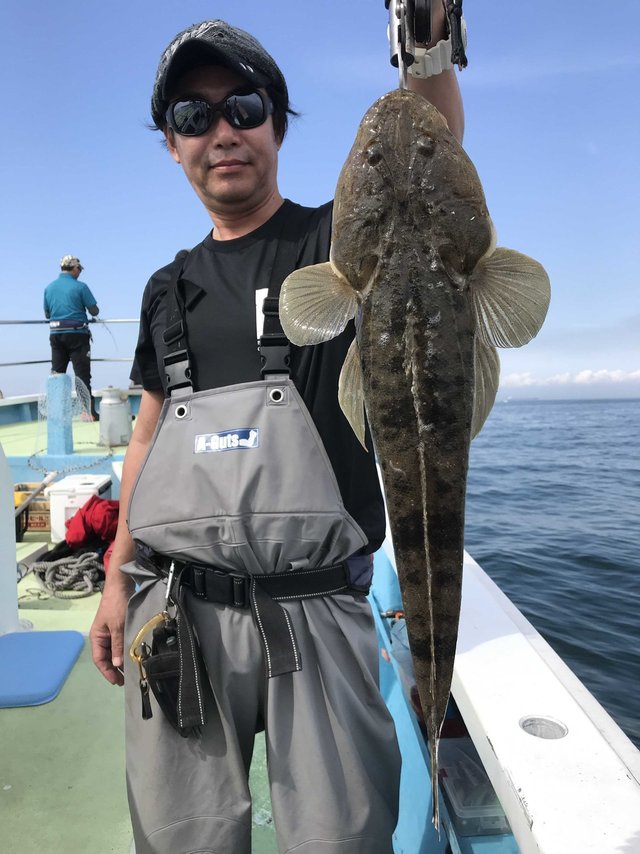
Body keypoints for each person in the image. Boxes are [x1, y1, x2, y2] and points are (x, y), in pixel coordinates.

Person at [90, 9, 465, 854]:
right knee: (178, 837)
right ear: (171, 144)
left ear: (277, 125)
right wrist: (118, 579)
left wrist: (429, 33)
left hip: (318, 611)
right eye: (193, 115)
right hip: (178, 611)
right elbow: (145, 438)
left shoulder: (338, 243)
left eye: (243, 106)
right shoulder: (166, 288)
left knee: (344, 835)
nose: (221, 131)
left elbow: (430, 139)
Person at [43, 255, 100, 419]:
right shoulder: (81, 287)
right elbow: (94, 311)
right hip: (77, 336)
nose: (80, 272)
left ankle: (55, 412)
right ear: (74, 268)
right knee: (82, 375)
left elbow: (47, 313)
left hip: (56, 335)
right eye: (80, 269)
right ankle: (87, 412)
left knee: (57, 374)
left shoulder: (49, 288)